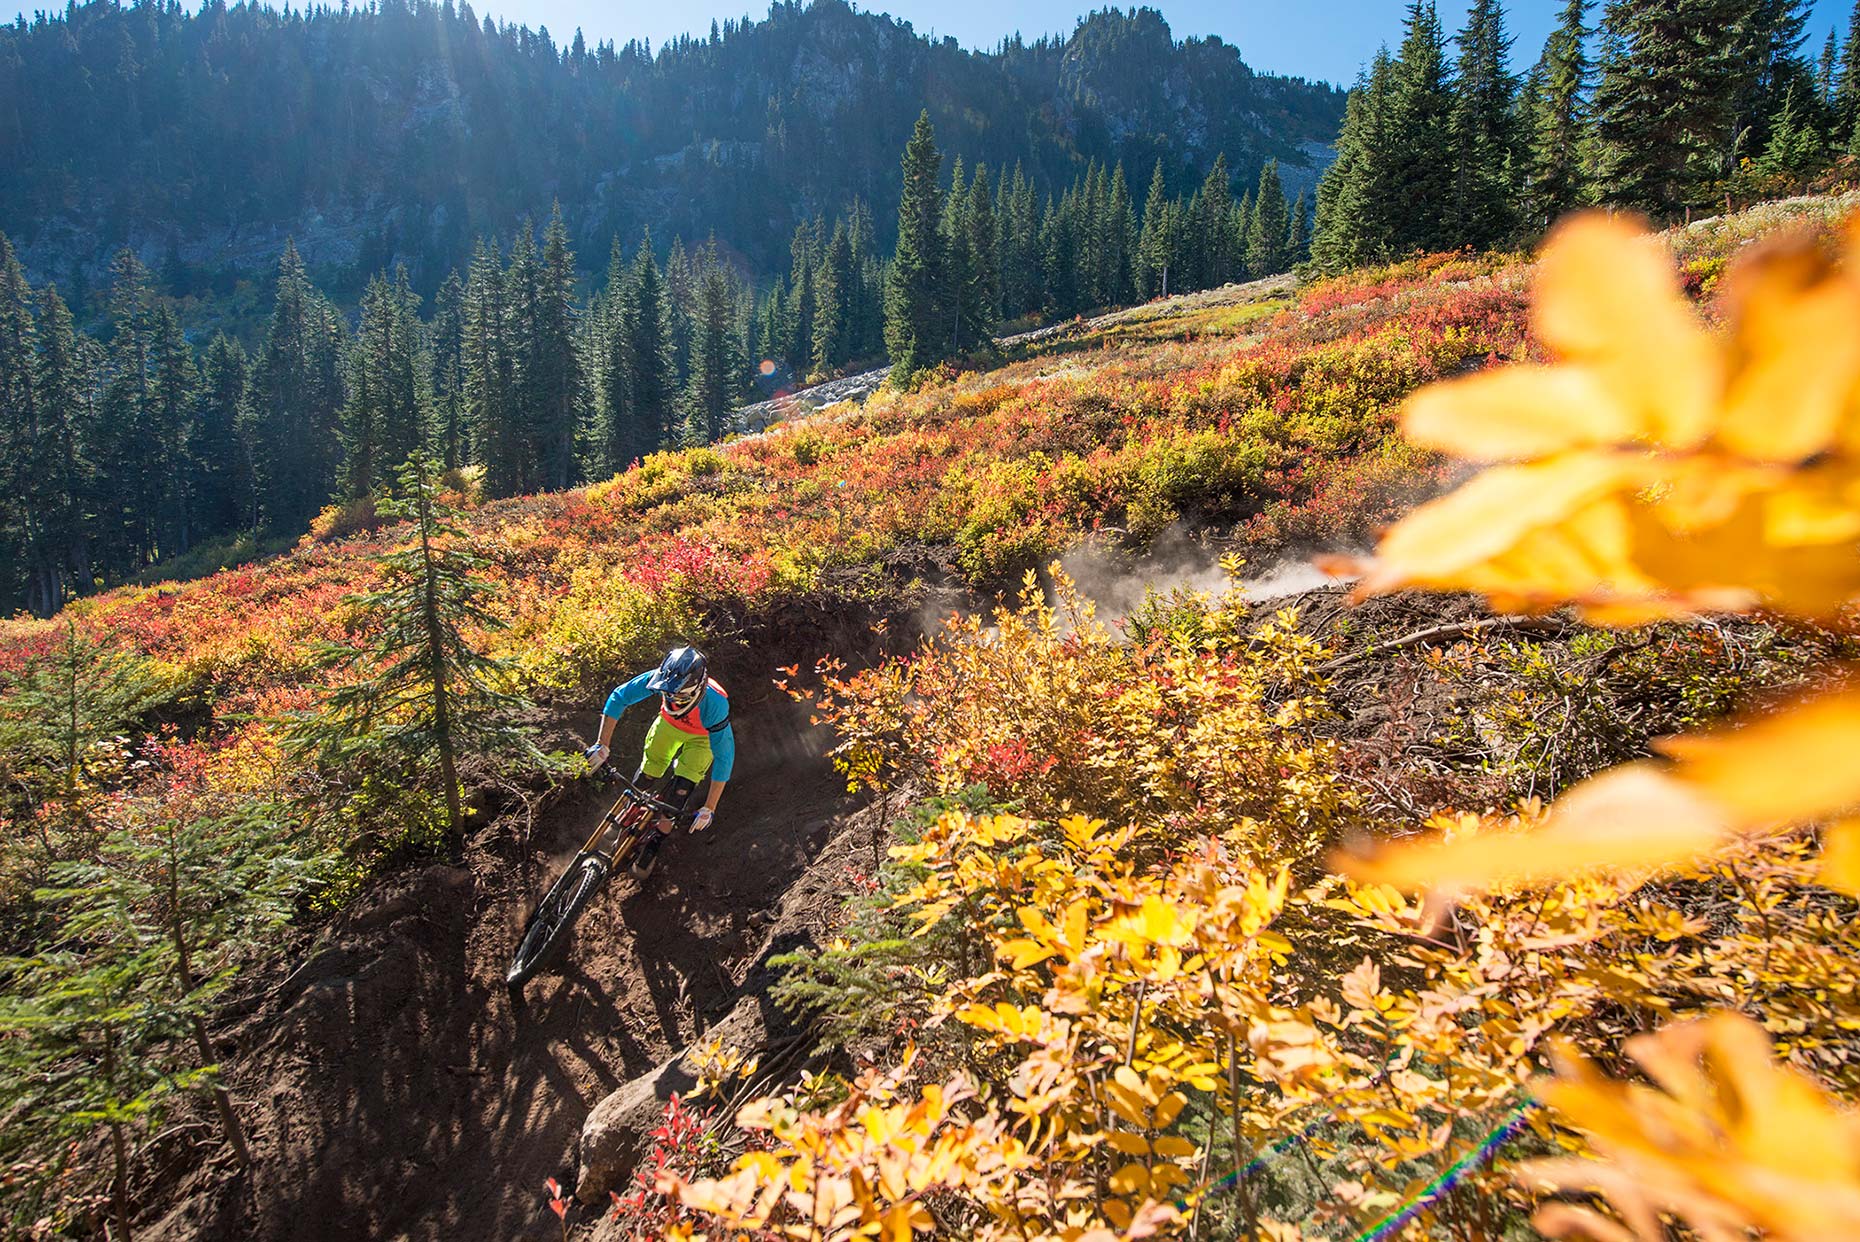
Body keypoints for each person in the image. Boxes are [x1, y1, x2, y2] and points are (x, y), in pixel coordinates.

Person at [585, 645, 734, 879]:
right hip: (668, 726)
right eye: (669, 692)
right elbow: (619, 697)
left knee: (679, 794)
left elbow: (724, 758)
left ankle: (655, 843)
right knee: (647, 774)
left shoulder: (715, 703)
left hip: (701, 739)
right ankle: (627, 812)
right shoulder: (662, 678)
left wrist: (709, 808)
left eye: (679, 694)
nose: (673, 697)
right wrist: (602, 744)